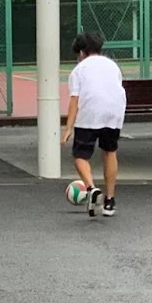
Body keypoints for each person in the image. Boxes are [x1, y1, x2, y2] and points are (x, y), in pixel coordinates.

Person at [62, 31, 126, 218]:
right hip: (114, 112)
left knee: (80, 155)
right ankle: (110, 200)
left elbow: (75, 100)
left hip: (90, 113)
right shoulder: (113, 66)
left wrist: (68, 128)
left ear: (81, 52)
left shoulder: (79, 70)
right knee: (110, 152)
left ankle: (91, 188)